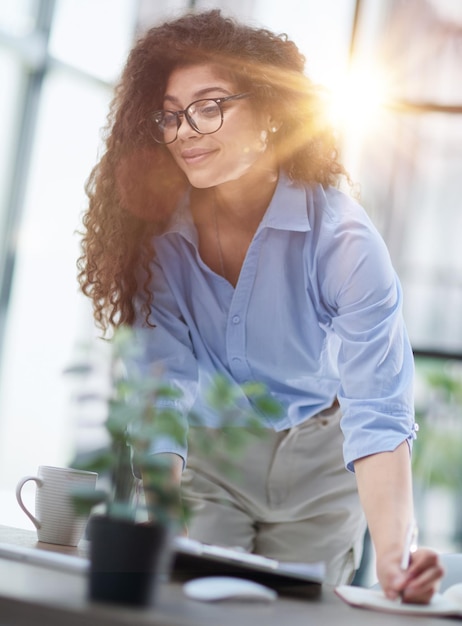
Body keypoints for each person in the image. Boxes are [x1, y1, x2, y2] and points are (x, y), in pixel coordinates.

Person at [78, 9, 443, 600]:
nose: (185, 130)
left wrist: (395, 561)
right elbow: (162, 385)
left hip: (321, 462)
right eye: (170, 116)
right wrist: (161, 514)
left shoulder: (342, 240)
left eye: (210, 105)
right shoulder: (154, 242)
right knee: (189, 605)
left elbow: (377, 408)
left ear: (272, 111)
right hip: (211, 453)